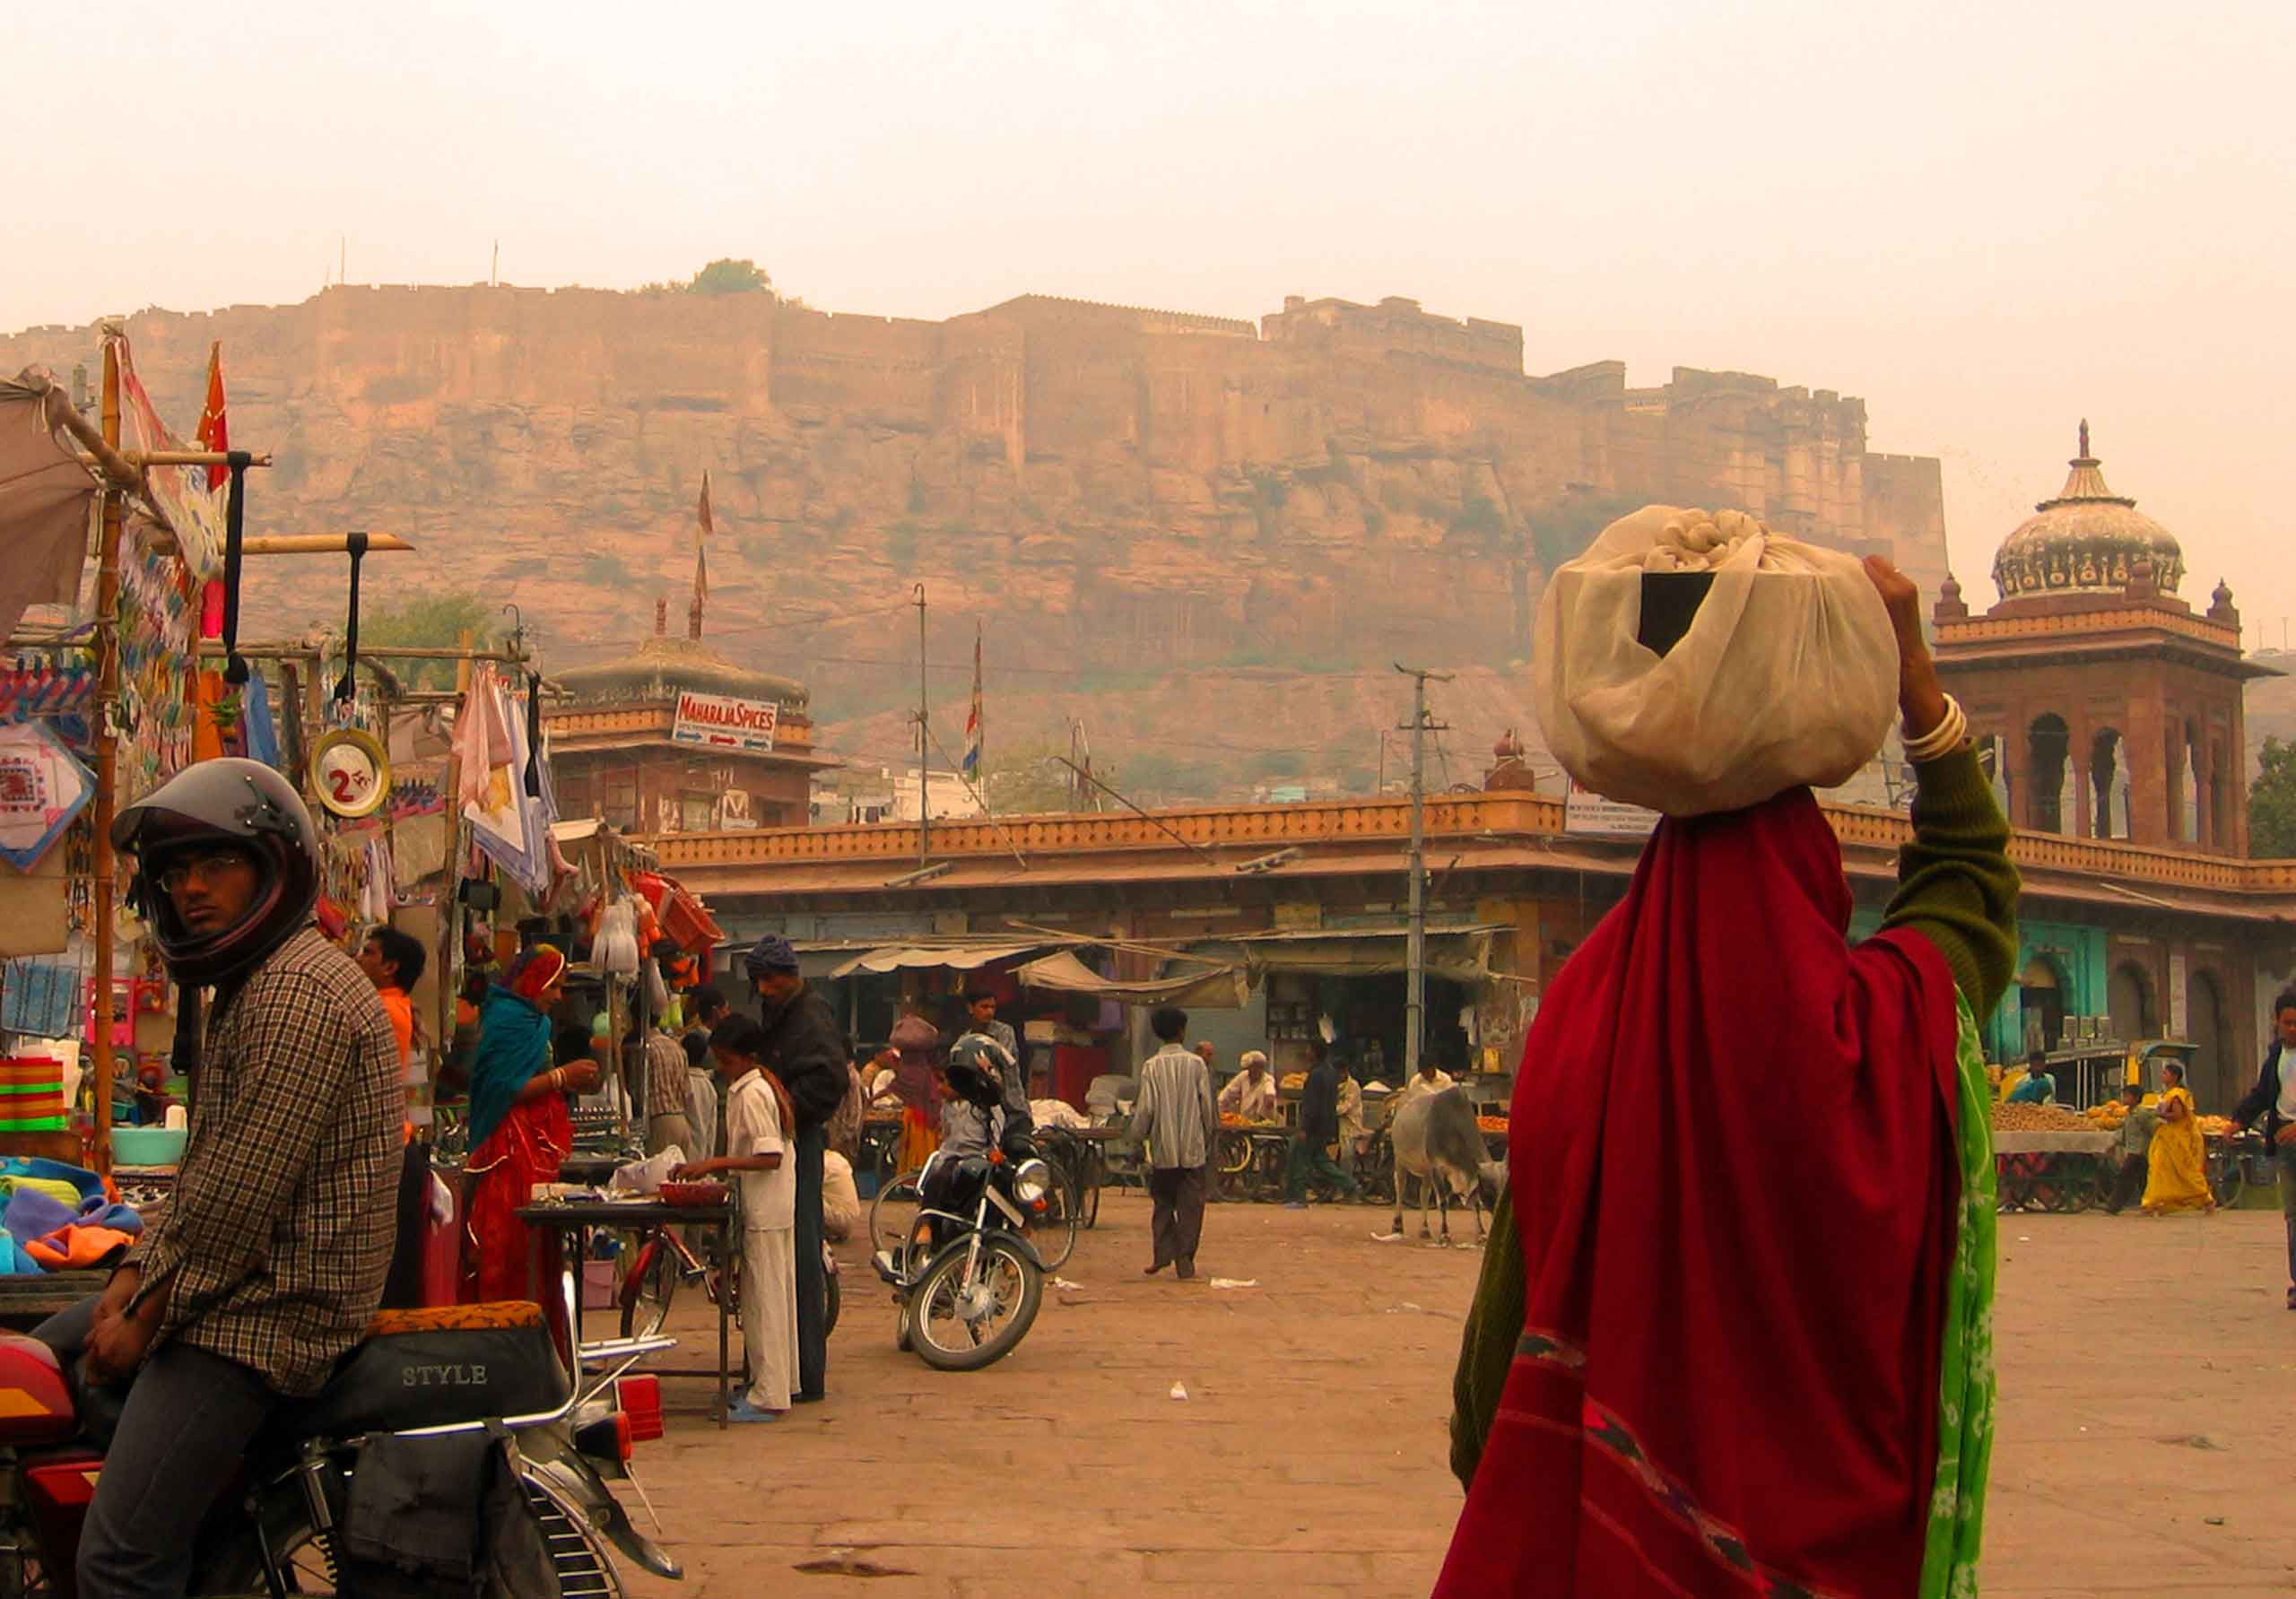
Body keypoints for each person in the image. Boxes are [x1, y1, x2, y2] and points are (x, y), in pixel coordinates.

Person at [1438, 559, 2017, 1599]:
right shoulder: (1880, 1032)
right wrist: (1918, 690)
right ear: (1818, 884)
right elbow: (1968, 888)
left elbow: (1501, 1345)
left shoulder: (1583, 1015)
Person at [42, 759, 403, 1596]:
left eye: (217, 865)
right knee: (41, 1355)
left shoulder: (298, 992)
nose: (193, 888)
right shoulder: (259, 986)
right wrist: (130, 1272)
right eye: (176, 873)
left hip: (266, 1319)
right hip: (234, 1290)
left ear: (274, 869)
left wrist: (142, 1313)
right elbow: (210, 1181)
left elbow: (237, 1201)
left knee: (118, 1562)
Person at [461, 945, 602, 1304]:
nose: (558, 996)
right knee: (508, 1241)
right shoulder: (508, 1020)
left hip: (531, 1147)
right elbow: (505, 1088)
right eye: (553, 986)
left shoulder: (531, 1020)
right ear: (532, 980)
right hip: (508, 1150)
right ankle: (506, 1331)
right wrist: (561, 1077)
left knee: (533, 1246)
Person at [674, 1016, 796, 1422]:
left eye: (725, 1063)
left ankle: (769, 1394)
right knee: (772, 1300)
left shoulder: (753, 1093)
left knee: (764, 1303)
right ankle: (774, 1381)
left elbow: (768, 1156)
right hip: (768, 1206)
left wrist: (714, 1164)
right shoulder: (755, 1086)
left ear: (745, 1058)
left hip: (765, 1206)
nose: (721, 1071)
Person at [746, 934, 849, 1405]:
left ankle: (807, 1372)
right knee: (780, 1257)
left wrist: (786, 1111)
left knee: (802, 1254)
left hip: (799, 1141)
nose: (764, 989)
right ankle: (781, 1365)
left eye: (770, 980)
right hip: (781, 1141)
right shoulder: (781, 1012)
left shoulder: (811, 1015)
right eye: (759, 981)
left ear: (789, 976)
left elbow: (830, 1080)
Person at [358, 926, 433, 1310]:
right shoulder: (393, 1005)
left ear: (390, 966)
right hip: (397, 1148)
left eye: (369, 953)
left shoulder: (382, 1010)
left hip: (388, 1151)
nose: (360, 958)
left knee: (386, 1273)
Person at [1129, 1006, 1217, 1280]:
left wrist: (1137, 1139)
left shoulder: (1151, 1067)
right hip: (1193, 1149)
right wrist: (1209, 1135)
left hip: (1163, 1150)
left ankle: (1163, 1254)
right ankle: (1184, 1258)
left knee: (1163, 1203)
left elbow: (1145, 1110)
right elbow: (1207, 1107)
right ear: (1182, 1031)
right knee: (1191, 1206)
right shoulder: (1196, 1064)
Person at [2230, 990, 2296, 1309]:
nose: (2294, 1029)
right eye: (2288, 1023)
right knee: (2293, 1216)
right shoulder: (2275, 1057)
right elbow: (2261, 1095)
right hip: (2285, 1144)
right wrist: (2237, 1121)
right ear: (2277, 1023)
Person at [1285, 1037, 1360, 1207]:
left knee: (1300, 1160)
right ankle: (1350, 1184)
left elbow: (1311, 1104)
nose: (1306, 1052)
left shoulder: (1316, 1074)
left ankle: (1298, 1198)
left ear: (1314, 1052)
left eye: (1309, 1049)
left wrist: (1305, 1127)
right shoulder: (1331, 1073)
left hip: (1313, 1126)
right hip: (1326, 1125)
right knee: (1321, 1160)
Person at [2141, 1060, 2213, 1213]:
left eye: (2165, 1073)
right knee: (2160, 1169)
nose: (2162, 1076)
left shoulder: (2177, 1094)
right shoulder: (2167, 1094)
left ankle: (2205, 1199)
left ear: (2174, 1077)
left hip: (2176, 1138)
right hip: (2166, 1137)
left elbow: (2178, 1115)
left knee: (2186, 1172)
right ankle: (2153, 1202)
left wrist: (2160, 1114)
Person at [964, 990, 1033, 1134]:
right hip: (981, 1114)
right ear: (971, 1008)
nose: (989, 1012)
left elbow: (1000, 1063)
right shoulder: (964, 1040)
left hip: (1012, 1109)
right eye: (984, 1007)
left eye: (992, 1007)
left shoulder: (1004, 1032)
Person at [681, 984, 729, 1160]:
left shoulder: (687, 1037)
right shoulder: (713, 1043)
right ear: (716, 1011)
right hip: (718, 1110)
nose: (728, 1014)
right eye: (726, 1009)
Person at [889, 1015, 944, 1170]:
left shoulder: (919, 1073)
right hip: (915, 1115)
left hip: (920, 1117)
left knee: (920, 1144)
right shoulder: (920, 1072)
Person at [639, 1018, 695, 1160]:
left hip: (660, 1122)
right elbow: (687, 1091)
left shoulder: (647, 1048)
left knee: (658, 1177)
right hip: (681, 1121)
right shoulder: (677, 1047)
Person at [2103, 1084, 2161, 1215]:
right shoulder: (2128, 1113)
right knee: (2142, 1180)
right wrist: (2114, 1144)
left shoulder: (2142, 1113)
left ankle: (2114, 1206)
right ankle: (2150, 1205)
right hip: (2133, 1150)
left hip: (2139, 1151)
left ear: (2135, 1098)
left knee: (2124, 1176)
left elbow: (2153, 1128)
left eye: (2127, 1096)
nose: (2124, 1098)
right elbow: (2125, 1132)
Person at [1217, 1049, 1280, 1121]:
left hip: (1262, 1120)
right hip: (1244, 1119)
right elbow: (1228, 1092)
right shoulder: (1243, 1076)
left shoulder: (1267, 1079)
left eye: (1259, 1067)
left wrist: (1270, 1097)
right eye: (1252, 1067)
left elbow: (1269, 1090)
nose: (1254, 1070)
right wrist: (1218, 1108)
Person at [822, 1148, 863, 1244]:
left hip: (840, 1218)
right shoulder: (836, 1157)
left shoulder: (825, 1161)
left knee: (803, 1196)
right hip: (849, 1218)